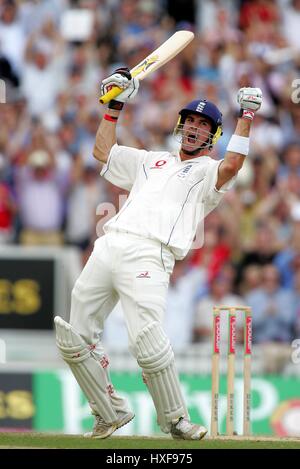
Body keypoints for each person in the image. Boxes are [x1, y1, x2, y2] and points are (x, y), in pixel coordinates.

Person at [55, 66, 262, 440]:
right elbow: (103, 151)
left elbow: (234, 164)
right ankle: (108, 412)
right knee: (74, 338)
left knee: (147, 341)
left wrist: (246, 117)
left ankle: (176, 421)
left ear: (213, 134)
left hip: (151, 255)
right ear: (180, 125)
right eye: (190, 121)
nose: (194, 128)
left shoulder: (208, 173)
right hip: (110, 243)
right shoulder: (152, 159)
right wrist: (114, 105)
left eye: (203, 124)